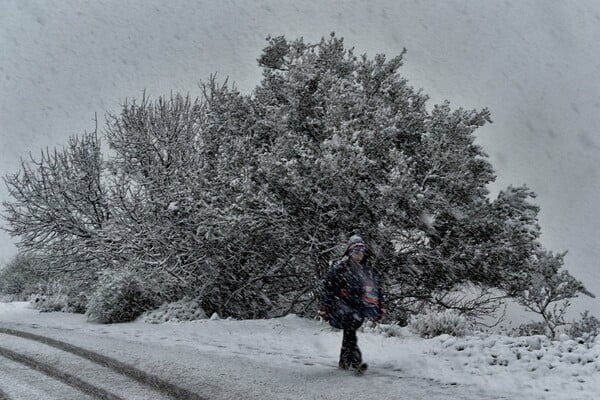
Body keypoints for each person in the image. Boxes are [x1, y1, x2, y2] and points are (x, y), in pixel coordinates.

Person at [319, 235, 385, 372]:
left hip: (359, 308)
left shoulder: (367, 270)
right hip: (342, 306)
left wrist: (380, 306)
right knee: (350, 331)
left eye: (361, 251)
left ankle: (344, 361)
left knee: (350, 332)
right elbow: (327, 286)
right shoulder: (340, 269)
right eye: (356, 251)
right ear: (349, 252)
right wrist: (328, 303)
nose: (359, 254)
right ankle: (357, 362)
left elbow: (376, 289)